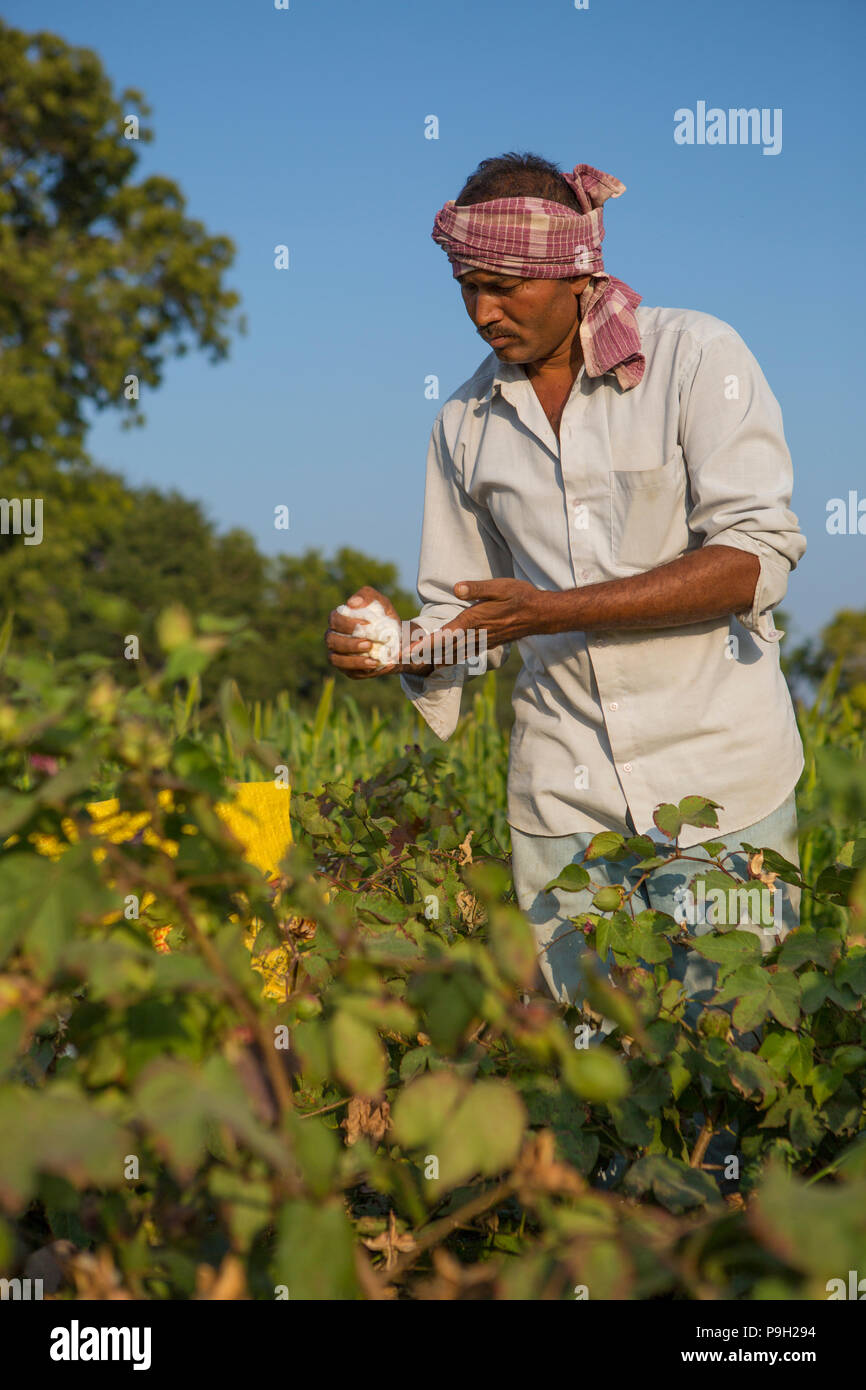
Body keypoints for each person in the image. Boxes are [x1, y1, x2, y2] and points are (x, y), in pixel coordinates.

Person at [325, 151, 806, 1040]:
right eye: (465, 286)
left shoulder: (696, 358)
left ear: (576, 274)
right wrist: (400, 645)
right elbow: (471, 613)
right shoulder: (463, 424)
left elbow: (750, 558)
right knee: (593, 1075)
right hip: (563, 808)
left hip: (723, 787)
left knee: (736, 1064)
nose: (482, 313)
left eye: (504, 287)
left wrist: (557, 610)